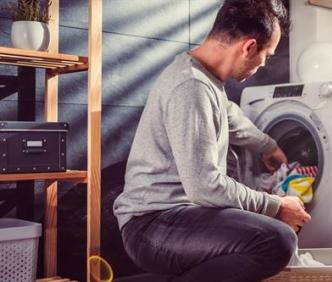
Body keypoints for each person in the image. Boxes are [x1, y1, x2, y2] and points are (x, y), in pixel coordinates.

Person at [113, 1, 311, 281]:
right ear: (249, 47)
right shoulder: (190, 87)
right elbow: (204, 186)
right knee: (275, 241)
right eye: (266, 55)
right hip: (152, 226)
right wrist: (275, 206)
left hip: (175, 219)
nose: (264, 64)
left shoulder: (205, 79)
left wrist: (269, 146)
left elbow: (232, 118)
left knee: (267, 233)